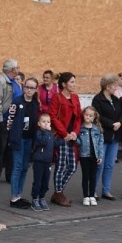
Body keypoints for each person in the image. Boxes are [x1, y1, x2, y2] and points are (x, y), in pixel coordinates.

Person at [6, 77, 40, 209]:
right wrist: (12, 137)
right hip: (19, 139)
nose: (29, 90)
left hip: (29, 139)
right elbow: (9, 120)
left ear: (36, 89)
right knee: (18, 166)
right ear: (23, 87)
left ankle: (19, 195)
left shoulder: (35, 103)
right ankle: (14, 197)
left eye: (32, 88)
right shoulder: (17, 101)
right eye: (27, 87)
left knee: (25, 167)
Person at [50, 72, 82, 206]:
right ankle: (58, 193)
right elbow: (52, 117)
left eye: (75, 82)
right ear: (64, 84)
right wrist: (65, 134)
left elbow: (79, 117)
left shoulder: (75, 97)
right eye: (72, 82)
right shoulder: (57, 97)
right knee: (61, 166)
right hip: (62, 137)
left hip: (72, 137)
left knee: (73, 166)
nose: (74, 84)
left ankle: (58, 192)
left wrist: (75, 132)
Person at [0, 59, 21, 185]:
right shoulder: (0, 81)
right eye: (17, 67)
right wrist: (0, 120)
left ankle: (9, 175)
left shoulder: (14, 82)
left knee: (11, 148)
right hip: (3, 120)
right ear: (12, 69)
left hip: (14, 121)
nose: (18, 69)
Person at [92, 73, 122, 201]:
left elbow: (121, 114)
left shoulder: (116, 100)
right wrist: (112, 124)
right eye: (114, 85)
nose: (116, 88)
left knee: (109, 165)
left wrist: (120, 122)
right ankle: (92, 190)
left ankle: (106, 190)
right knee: (99, 164)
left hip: (114, 137)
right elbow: (97, 116)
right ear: (107, 86)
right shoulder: (97, 99)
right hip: (102, 136)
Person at [29, 113, 61, 212]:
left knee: (45, 182)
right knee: (37, 182)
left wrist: (65, 140)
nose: (46, 124)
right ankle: (35, 199)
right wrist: (48, 132)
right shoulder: (39, 133)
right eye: (43, 122)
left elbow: (54, 143)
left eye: (48, 122)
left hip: (48, 162)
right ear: (39, 123)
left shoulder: (50, 134)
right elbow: (42, 141)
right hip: (39, 161)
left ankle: (42, 197)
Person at [77, 106, 104, 206]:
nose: (88, 117)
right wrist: (75, 138)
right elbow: (79, 142)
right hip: (84, 156)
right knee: (86, 176)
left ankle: (92, 195)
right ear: (83, 115)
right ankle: (85, 196)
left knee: (93, 176)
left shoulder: (97, 129)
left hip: (94, 156)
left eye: (90, 115)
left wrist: (100, 156)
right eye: (86, 115)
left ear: (94, 117)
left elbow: (100, 143)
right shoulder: (80, 128)